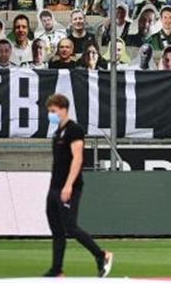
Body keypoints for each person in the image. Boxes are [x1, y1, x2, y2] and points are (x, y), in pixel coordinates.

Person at [43, 93, 114, 278]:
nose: (50, 114)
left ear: (63, 110)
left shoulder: (74, 130)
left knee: (70, 227)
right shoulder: (58, 132)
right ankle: (56, 269)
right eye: (49, 111)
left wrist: (69, 185)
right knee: (57, 230)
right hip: (55, 185)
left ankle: (101, 255)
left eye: (53, 111)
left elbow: (78, 158)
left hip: (69, 186)